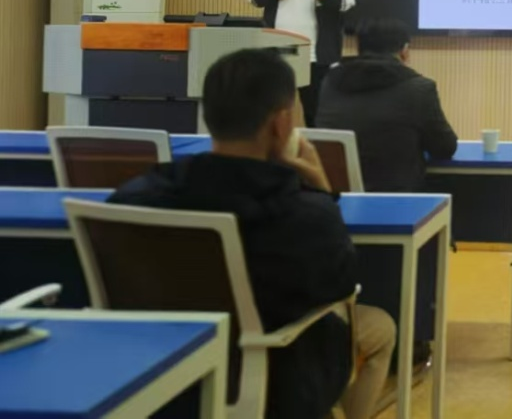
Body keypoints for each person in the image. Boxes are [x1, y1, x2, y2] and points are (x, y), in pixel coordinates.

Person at [110, 49, 394, 419]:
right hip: (274, 383)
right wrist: (322, 189)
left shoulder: (136, 197)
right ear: (281, 124)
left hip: (160, 376)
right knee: (381, 328)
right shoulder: (303, 214)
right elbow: (340, 286)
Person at [317, 17, 458, 191]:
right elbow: (444, 148)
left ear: (359, 48)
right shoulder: (419, 88)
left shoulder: (330, 82)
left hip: (337, 198)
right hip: (399, 198)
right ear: (404, 51)